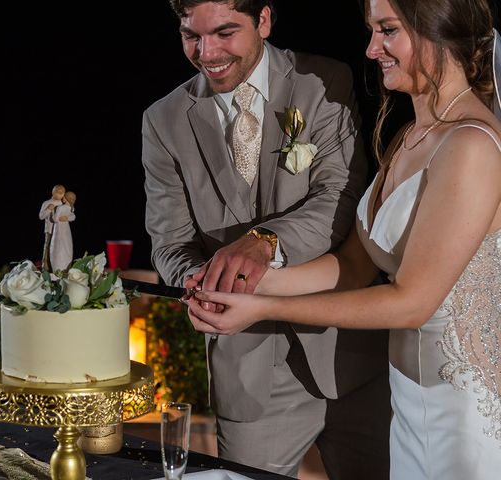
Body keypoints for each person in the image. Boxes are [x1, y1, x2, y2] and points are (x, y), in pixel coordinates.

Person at [187, 0, 501, 477]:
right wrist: (243, 283)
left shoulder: (471, 146)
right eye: (372, 31)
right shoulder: (412, 136)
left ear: (437, 31)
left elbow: (411, 302)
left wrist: (265, 309)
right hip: (411, 398)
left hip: (462, 408)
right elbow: (355, 266)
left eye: (387, 31)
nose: (372, 48)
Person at [142, 0, 390, 477]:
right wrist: (198, 281)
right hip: (248, 374)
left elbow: (340, 197)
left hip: (350, 358)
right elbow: (169, 243)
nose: (206, 51)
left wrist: (264, 241)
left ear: (264, 20)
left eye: (224, 32)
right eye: (191, 35)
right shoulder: (163, 120)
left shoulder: (323, 82)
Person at [39, 184, 66, 271]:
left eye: (62, 193)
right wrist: (48, 209)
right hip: (50, 230)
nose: (60, 194)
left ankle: (57, 266)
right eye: (58, 192)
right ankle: (45, 264)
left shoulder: (63, 204)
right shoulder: (47, 203)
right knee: (47, 246)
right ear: (53, 192)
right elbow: (41, 216)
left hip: (60, 231)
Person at [49, 191, 76, 273]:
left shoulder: (61, 208)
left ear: (65, 198)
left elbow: (55, 219)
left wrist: (52, 211)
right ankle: (66, 268)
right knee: (67, 246)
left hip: (59, 230)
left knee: (58, 247)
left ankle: (57, 269)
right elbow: (73, 216)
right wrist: (67, 218)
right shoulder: (71, 208)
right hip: (66, 230)